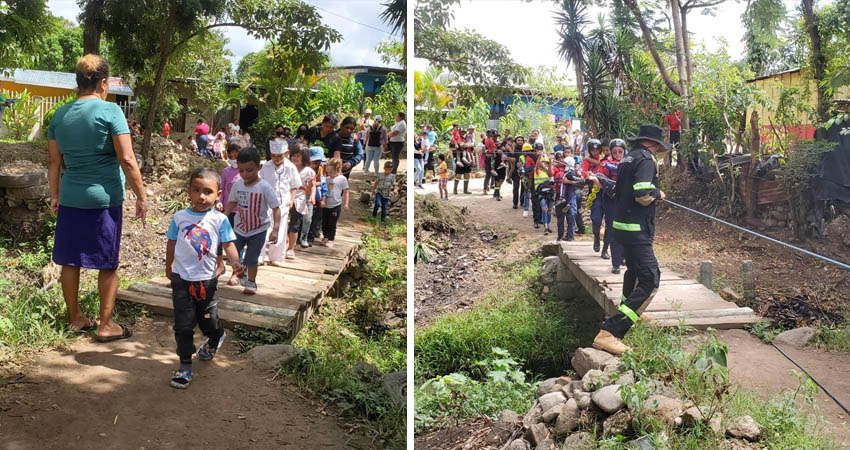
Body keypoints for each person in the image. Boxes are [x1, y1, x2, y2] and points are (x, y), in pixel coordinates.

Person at [47, 54, 146, 341]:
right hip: (104, 200)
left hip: (71, 197)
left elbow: (54, 162)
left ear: (78, 83)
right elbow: (127, 159)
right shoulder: (111, 112)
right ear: (103, 83)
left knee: (70, 260)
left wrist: (55, 194)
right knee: (107, 263)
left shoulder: (60, 115)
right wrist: (141, 196)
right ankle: (105, 325)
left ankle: (76, 318)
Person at [592, 124, 668, 355]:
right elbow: (643, 194)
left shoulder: (627, 158)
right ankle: (612, 331)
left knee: (633, 272)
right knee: (650, 278)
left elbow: (620, 189)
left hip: (621, 227)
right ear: (654, 144)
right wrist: (658, 193)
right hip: (637, 229)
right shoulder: (645, 159)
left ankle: (626, 313)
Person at [165, 168, 244, 389]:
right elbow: (171, 242)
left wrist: (235, 262)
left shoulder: (219, 220)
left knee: (208, 321)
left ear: (218, 194)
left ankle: (215, 336)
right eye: (196, 190)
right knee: (183, 325)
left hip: (207, 281)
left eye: (208, 192)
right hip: (181, 279)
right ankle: (185, 366)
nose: (202, 196)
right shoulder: (179, 218)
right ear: (189, 191)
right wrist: (168, 264)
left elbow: (228, 244)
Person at [224, 147, 281, 295]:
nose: (244, 174)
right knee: (234, 254)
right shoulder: (238, 184)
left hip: (258, 229)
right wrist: (223, 217)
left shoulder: (265, 187)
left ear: (259, 167)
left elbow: (276, 208)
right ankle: (237, 273)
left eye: (249, 170)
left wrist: (275, 229)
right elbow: (231, 202)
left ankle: (251, 282)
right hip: (239, 227)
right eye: (241, 170)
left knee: (252, 258)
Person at [259, 138, 300, 266]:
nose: (276, 159)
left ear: (286, 153)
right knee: (263, 228)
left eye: (279, 156)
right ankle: (259, 255)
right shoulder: (265, 167)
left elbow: (294, 185)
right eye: (274, 156)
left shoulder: (290, 167)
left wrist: (292, 199)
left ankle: (276, 256)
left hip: (283, 203)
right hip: (266, 203)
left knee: (281, 229)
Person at [596, 138, 626, 273]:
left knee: (625, 228)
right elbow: (600, 179)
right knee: (612, 227)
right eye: (615, 152)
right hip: (610, 198)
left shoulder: (629, 162)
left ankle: (623, 256)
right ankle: (611, 257)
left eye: (621, 151)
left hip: (625, 199)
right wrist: (609, 186)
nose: (618, 154)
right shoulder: (605, 163)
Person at [285, 144, 312, 260]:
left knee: (294, 225)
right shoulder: (286, 167)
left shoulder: (308, 171)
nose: (295, 158)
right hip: (285, 198)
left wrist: (311, 196)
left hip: (299, 200)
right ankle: (282, 244)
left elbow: (311, 185)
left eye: (299, 156)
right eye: (294, 155)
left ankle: (291, 248)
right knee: (283, 222)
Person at [582, 139, 605, 252]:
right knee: (596, 218)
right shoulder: (586, 162)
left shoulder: (605, 158)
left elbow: (602, 164)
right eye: (593, 150)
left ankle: (606, 248)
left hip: (608, 192)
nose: (595, 152)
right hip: (595, 192)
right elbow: (583, 173)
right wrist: (586, 177)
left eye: (597, 150)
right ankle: (596, 237)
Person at [321, 158, 349, 248]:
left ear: (337, 169)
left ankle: (331, 239)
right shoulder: (326, 179)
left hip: (335, 205)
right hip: (326, 205)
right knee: (324, 222)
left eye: (331, 171)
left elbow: (346, 192)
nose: (329, 173)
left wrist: (346, 203)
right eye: (328, 171)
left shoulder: (342, 179)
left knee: (332, 223)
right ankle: (325, 236)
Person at [302, 147, 327, 248]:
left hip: (315, 197)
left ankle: (309, 237)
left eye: (318, 162)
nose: (316, 164)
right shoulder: (303, 169)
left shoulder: (320, 170)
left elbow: (322, 182)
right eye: (314, 162)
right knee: (301, 218)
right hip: (302, 195)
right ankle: (300, 236)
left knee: (312, 219)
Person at [534, 159, 554, 234]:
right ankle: (546, 227)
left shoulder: (549, 172)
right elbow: (537, 164)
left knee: (549, 211)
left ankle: (547, 226)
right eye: (543, 162)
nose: (544, 164)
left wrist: (550, 163)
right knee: (544, 210)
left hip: (550, 194)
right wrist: (539, 157)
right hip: (541, 194)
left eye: (546, 163)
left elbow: (550, 173)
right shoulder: (537, 171)